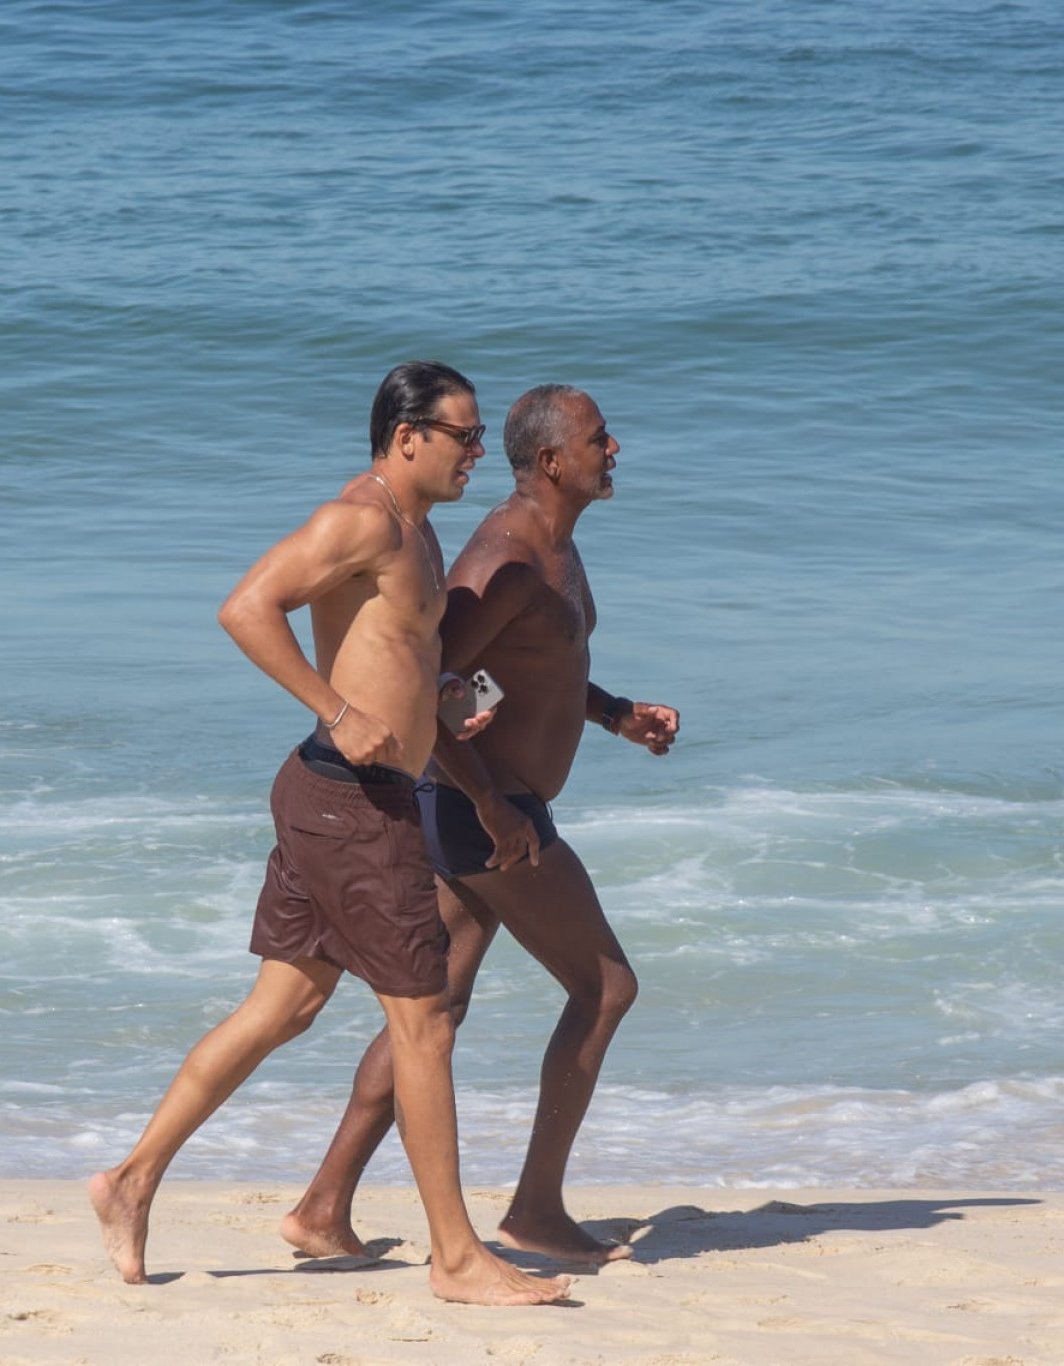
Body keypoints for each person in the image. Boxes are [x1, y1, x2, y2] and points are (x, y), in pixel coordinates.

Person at [88, 362, 571, 1306]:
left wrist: (439, 706)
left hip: (339, 797)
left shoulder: (417, 533)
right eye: (464, 437)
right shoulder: (360, 520)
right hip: (351, 799)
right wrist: (338, 708)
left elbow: (394, 646)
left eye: (479, 438)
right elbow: (246, 607)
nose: (479, 453)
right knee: (424, 1024)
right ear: (407, 437)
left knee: (285, 1008)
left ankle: (130, 1180)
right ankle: (459, 1258)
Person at [281, 383, 680, 1266]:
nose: (613, 450)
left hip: (483, 808)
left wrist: (613, 714)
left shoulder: (555, 548)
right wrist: (492, 802)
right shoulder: (502, 557)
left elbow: (528, 671)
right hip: (484, 811)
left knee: (435, 1008)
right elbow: (430, 682)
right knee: (606, 987)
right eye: (600, 439)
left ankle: (321, 1208)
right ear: (551, 461)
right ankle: (535, 1209)